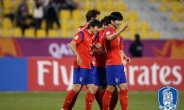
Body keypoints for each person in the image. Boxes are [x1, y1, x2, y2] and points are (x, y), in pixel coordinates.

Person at [61, 19, 101, 110]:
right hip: (81, 65)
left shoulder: (91, 37)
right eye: (97, 27)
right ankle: (63, 109)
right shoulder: (81, 34)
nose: (98, 29)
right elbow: (72, 44)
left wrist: (94, 47)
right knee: (76, 88)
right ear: (91, 26)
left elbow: (88, 50)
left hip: (89, 65)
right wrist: (78, 56)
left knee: (91, 89)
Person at [102, 12, 130, 110]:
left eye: (120, 21)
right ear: (112, 21)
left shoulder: (119, 37)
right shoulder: (108, 31)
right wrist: (122, 30)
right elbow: (109, 38)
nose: (120, 23)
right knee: (110, 88)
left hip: (119, 64)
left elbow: (120, 50)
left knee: (124, 88)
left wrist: (124, 56)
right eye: (118, 20)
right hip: (112, 63)